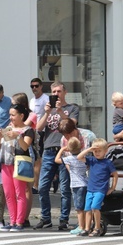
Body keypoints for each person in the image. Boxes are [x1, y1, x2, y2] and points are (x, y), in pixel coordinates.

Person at [35, 81, 79, 230]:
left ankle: (63, 220)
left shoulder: (72, 108)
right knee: (42, 187)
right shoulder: (48, 110)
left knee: (65, 188)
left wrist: (60, 111)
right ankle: (45, 218)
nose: (56, 94)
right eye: (53, 92)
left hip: (65, 150)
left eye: (59, 91)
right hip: (48, 150)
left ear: (65, 92)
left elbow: (72, 125)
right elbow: (38, 128)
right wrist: (47, 112)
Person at [0, 103, 35, 231]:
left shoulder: (28, 130)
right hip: (5, 162)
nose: (11, 118)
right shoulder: (8, 128)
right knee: (9, 194)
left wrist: (17, 136)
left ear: (21, 116)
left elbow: (25, 147)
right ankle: (12, 221)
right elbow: (1, 146)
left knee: (20, 193)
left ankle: (20, 222)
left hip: (19, 163)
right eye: (10, 115)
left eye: (13, 115)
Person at [76, 139, 117, 237]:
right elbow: (79, 157)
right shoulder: (92, 160)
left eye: (99, 151)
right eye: (95, 151)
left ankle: (97, 228)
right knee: (87, 209)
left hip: (100, 189)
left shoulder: (107, 162)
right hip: (90, 189)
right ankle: (87, 228)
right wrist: (89, 149)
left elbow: (115, 175)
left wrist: (112, 187)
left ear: (105, 151)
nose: (97, 153)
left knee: (95, 207)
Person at [56, 137, 88, 235]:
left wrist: (61, 149)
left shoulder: (69, 159)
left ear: (69, 149)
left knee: (79, 208)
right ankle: (87, 225)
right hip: (85, 183)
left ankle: (81, 226)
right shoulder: (83, 159)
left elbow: (56, 160)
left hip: (76, 185)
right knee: (85, 207)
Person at [29, 78, 47, 192]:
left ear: (41, 86)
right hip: (33, 131)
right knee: (35, 157)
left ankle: (36, 185)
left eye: (36, 86)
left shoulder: (46, 99)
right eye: (32, 86)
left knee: (38, 158)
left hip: (42, 131)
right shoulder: (31, 101)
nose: (34, 88)